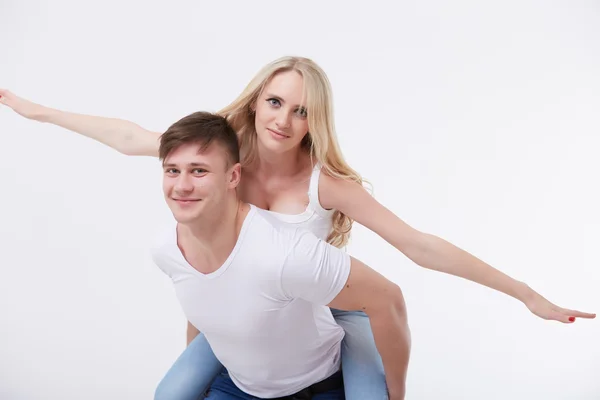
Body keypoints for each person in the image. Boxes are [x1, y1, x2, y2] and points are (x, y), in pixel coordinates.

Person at [0, 56, 595, 399]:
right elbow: (131, 138)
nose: (285, 119)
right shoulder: (221, 156)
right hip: (252, 314)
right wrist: (35, 111)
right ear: (257, 101)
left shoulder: (324, 183)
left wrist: (528, 296)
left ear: (315, 122)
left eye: (302, 109)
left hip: (331, 315)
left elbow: (417, 246)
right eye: (277, 102)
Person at [152, 110, 408, 399]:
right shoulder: (166, 248)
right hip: (243, 378)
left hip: (316, 363)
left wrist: (396, 392)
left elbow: (389, 298)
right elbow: (204, 304)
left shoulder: (285, 250)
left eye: (199, 171)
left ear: (234, 176)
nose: (182, 185)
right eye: (172, 170)